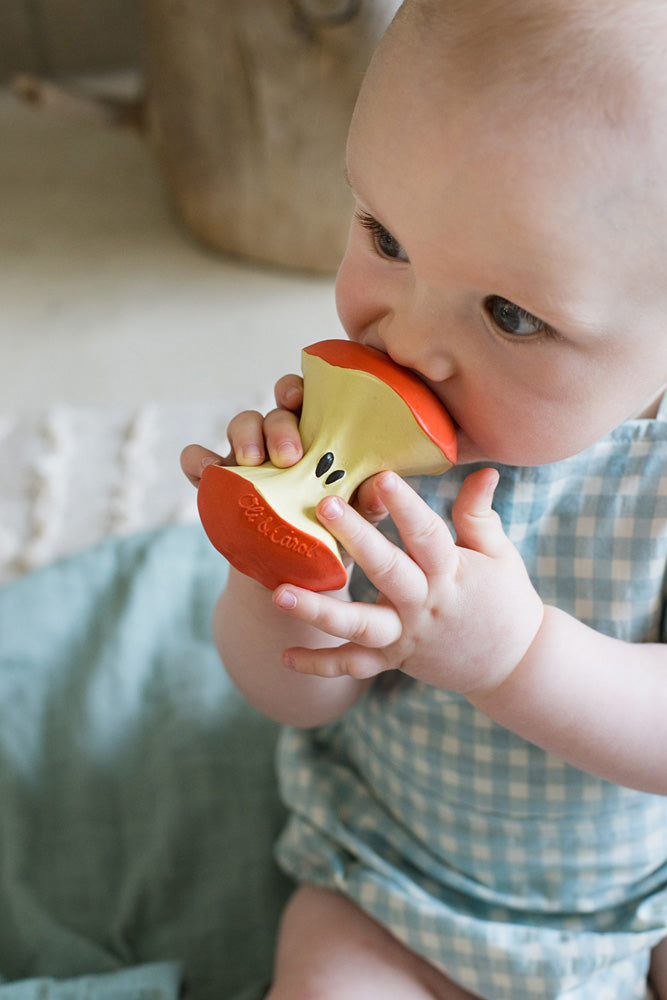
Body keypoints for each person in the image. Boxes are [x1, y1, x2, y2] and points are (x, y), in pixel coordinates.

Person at [181, 0, 667, 996]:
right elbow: (294, 700)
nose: (406, 342)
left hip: (643, 891)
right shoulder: (354, 450)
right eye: (386, 238)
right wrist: (274, 573)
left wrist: (516, 658)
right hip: (392, 880)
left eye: (509, 313)